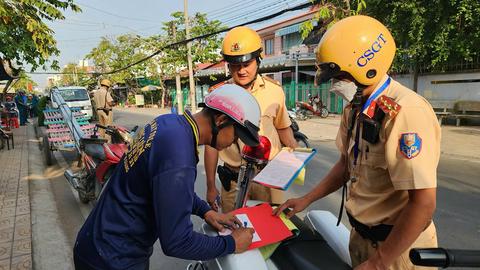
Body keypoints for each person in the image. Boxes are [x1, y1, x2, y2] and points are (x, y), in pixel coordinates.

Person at [274, 15, 440, 270]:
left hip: (398, 252)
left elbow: (423, 203)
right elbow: (345, 165)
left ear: (366, 67)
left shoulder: (405, 112)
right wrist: (305, 199)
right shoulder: (355, 108)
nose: (335, 84)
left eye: (339, 75)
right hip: (361, 241)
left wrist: (379, 262)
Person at [74, 84, 261, 270]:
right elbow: (178, 242)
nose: (233, 143)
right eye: (235, 136)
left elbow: (168, 190)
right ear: (220, 121)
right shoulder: (179, 155)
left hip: (98, 240)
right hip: (113, 258)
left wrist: (206, 211)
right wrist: (231, 244)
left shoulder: (169, 123)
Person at [205, 26, 297, 213]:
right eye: (235, 65)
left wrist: (297, 154)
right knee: (235, 235)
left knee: (273, 233)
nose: (241, 71)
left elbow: (282, 128)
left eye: (246, 64)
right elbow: (211, 145)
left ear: (258, 61)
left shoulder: (274, 91)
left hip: (269, 178)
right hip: (233, 180)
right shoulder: (218, 96)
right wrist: (210, 186)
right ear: (228, 65)